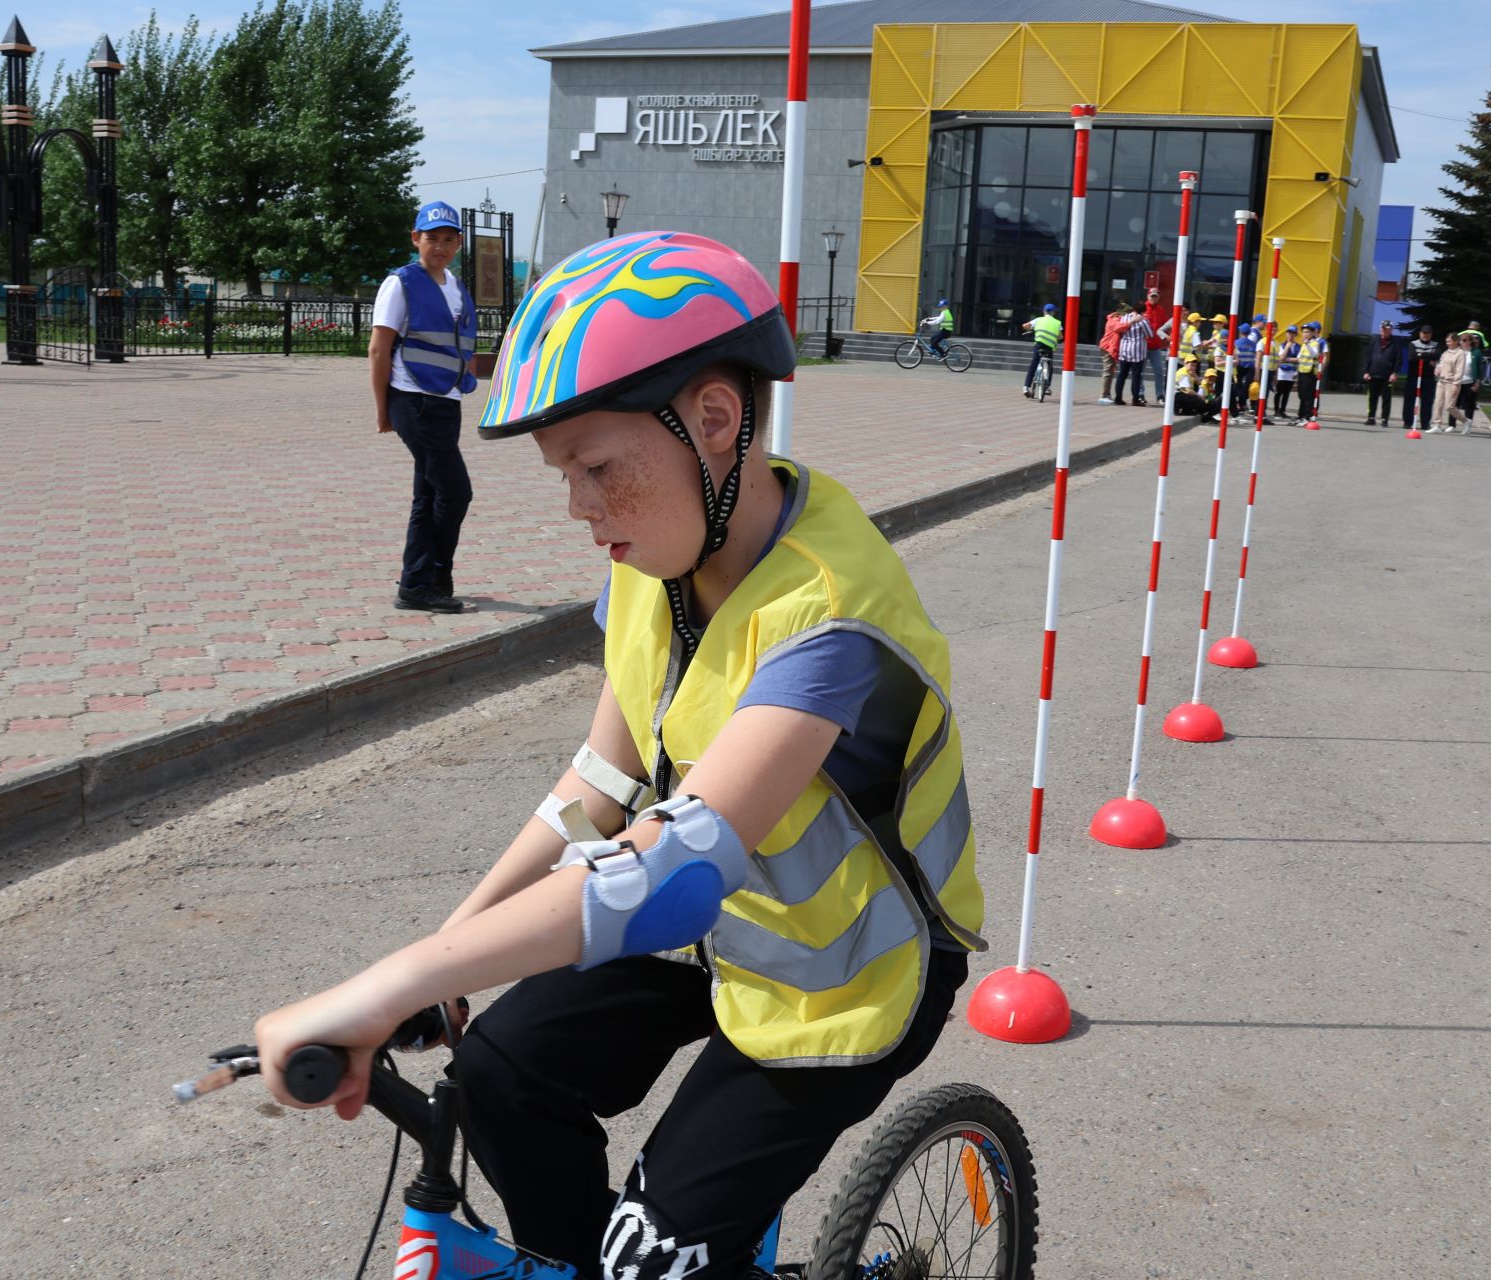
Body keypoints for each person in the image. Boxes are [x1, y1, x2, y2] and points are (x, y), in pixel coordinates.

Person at [252, 229, 986, 1280]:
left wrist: (388, 979)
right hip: (725, 930)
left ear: (716, 421)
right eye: (565, 473)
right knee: (501, 1068)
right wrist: (448, 958)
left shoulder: (830, 615)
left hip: (846, 970)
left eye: (598, 467)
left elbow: (675, 869)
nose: (579, 506)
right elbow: (600, 785)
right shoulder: (654, 562)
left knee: (649, 1255)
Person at [370, 201, 480, 614]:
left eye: (449, 239)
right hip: (411, 398)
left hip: (446, 401)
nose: (440, 246)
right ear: (416, 239)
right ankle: (429, 578)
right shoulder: (400, 284)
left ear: (459, 243)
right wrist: (384, 411)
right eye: (432, 238)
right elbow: (379, 350)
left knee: (430, 494)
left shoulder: (454, 285)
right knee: (455, 492)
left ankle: (422, 582)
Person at [1401, 323, 1442, 432]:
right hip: (1414, 376)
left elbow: (1437, 355)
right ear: (1420, 334)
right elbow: (1412, 358)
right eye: (1424, 333)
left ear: (1431, 334)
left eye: (1428, 333)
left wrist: (1421, 355)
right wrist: (1428, 357)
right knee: (1409, 400)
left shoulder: (1435, 344)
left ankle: (1425, 423)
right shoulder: (1413, 344)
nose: (1426, 335)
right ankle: (1407, 422)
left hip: (1428, 378)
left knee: (1427, 402)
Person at [1020, 301, 1064, 398]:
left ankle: (1026, 387)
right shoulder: (1057, 323)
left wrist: (1031, 330)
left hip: (1039, 345)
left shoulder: (1038, 320)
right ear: (1053, 312)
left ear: (1044, 311)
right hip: (1049, 347)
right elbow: (1060, 336)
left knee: (1034, 364)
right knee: (1050, 365)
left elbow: (1025, 325)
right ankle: (1047, 387)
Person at [1362, 320, 1400, 425]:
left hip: (1387, 375)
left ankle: (1384, 419)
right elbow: (1368, 357)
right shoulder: (1374, 340)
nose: (1384, 330)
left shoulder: (1396, 342)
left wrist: (1394, 373)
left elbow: (1398, 359)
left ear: (1391, 329)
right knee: (1372, 398)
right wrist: (1366, 371)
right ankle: (1371, 418)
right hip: (1373, 374)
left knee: (1386, 398)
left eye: (1386, 328)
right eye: (1382, 328)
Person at [1115, 300, 1151, 406]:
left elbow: (1120, 329)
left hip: (1125, 349)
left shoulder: (1125, 317)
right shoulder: (1143, 321)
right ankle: (1135, 399)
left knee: (1122, 374)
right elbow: (1150, 334)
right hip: (1137, 351)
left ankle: (1118, 397)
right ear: (1143, 311)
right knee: (1136, 376)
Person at [1143, 285, 1171, 404]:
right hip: (1143, 346)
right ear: (1148, 296)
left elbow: (1167, 325)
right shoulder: (1142, 308)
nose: (1154, 298)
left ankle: (1160, 395)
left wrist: (1170, 339)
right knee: (1140, 372)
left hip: (1155, 347)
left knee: (1159, 371)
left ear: (1158, 297)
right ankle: (1140, 394)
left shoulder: (1160, 310)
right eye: (1152, 296)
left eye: (1156, 296)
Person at [1433, 333, 1466, 431]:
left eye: (1449, 341)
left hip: (1452, 382)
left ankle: (1465, 421)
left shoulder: (1460, 353)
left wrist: (1456, 383)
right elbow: (1441, 363)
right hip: (1441, 381)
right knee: (1438, 403)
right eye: (1447, 341)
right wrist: (1437, 368)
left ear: (1456, 341)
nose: (1447, 343)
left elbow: (1460, 370)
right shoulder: (1446, 352)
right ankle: (1437, 425)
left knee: (1449, 407)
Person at [1097, 298, 1127, 404]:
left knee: (1110, 371)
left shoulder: (1115, 319)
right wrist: (1132, 321)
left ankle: (1107, 394)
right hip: (1107, 348)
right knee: (1108, 371)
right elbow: (1120, 327)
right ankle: (1103, 395)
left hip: (1111, 348)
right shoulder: (1114, 321)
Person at [1455, 330, 1485, 435]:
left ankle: (1468, 425)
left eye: (1464, 340)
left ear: (1469, 341)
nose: (1462, 342)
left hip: (1470, 382)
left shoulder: (1476, 352)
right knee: (1454, 403)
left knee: (1469, 404)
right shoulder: (1458, 351)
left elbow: (1480, 369)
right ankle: (1451, 424)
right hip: (1458, 381)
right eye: (1460, 340)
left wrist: (1477, 382)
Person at [1294, 321, 1325, 424]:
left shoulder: (1314, 343)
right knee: (1301, 395)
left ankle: (1307, 417)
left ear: (1312, 333)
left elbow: (1314, 355)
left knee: (1308, 396)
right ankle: (1300, 416)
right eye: (1303, 332)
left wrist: (1307, 344)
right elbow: (1299, 358)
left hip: (1310, 372)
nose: (1305, 334)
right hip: (1302, 371)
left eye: (1307, 332)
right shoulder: (1304, 345)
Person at [1272, 325, 1300, 419]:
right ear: (1286, 334)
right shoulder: (1281, 345)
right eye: (1289, 333)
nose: (1290, 335)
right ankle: (1276, 411)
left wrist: (1288, 359)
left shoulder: (1298, 346)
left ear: (1295, 334)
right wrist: (1287, 347)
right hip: (1282, 372)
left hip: (1292, 372)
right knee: (1279, 392)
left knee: (1287, 393)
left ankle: (1283, 411)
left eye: (1293, 333)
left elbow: (1299, 359)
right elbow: (1281, 358)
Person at [1230, 323, 1258, 419]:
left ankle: (1241, 404)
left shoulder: (1236, 342)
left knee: (1238, 385)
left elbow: (1234, 355)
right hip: (1250, 367)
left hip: (1239, 366)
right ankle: (1246, 404)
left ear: (1241, 331)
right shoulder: (1253, 344)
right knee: (1248, 386)